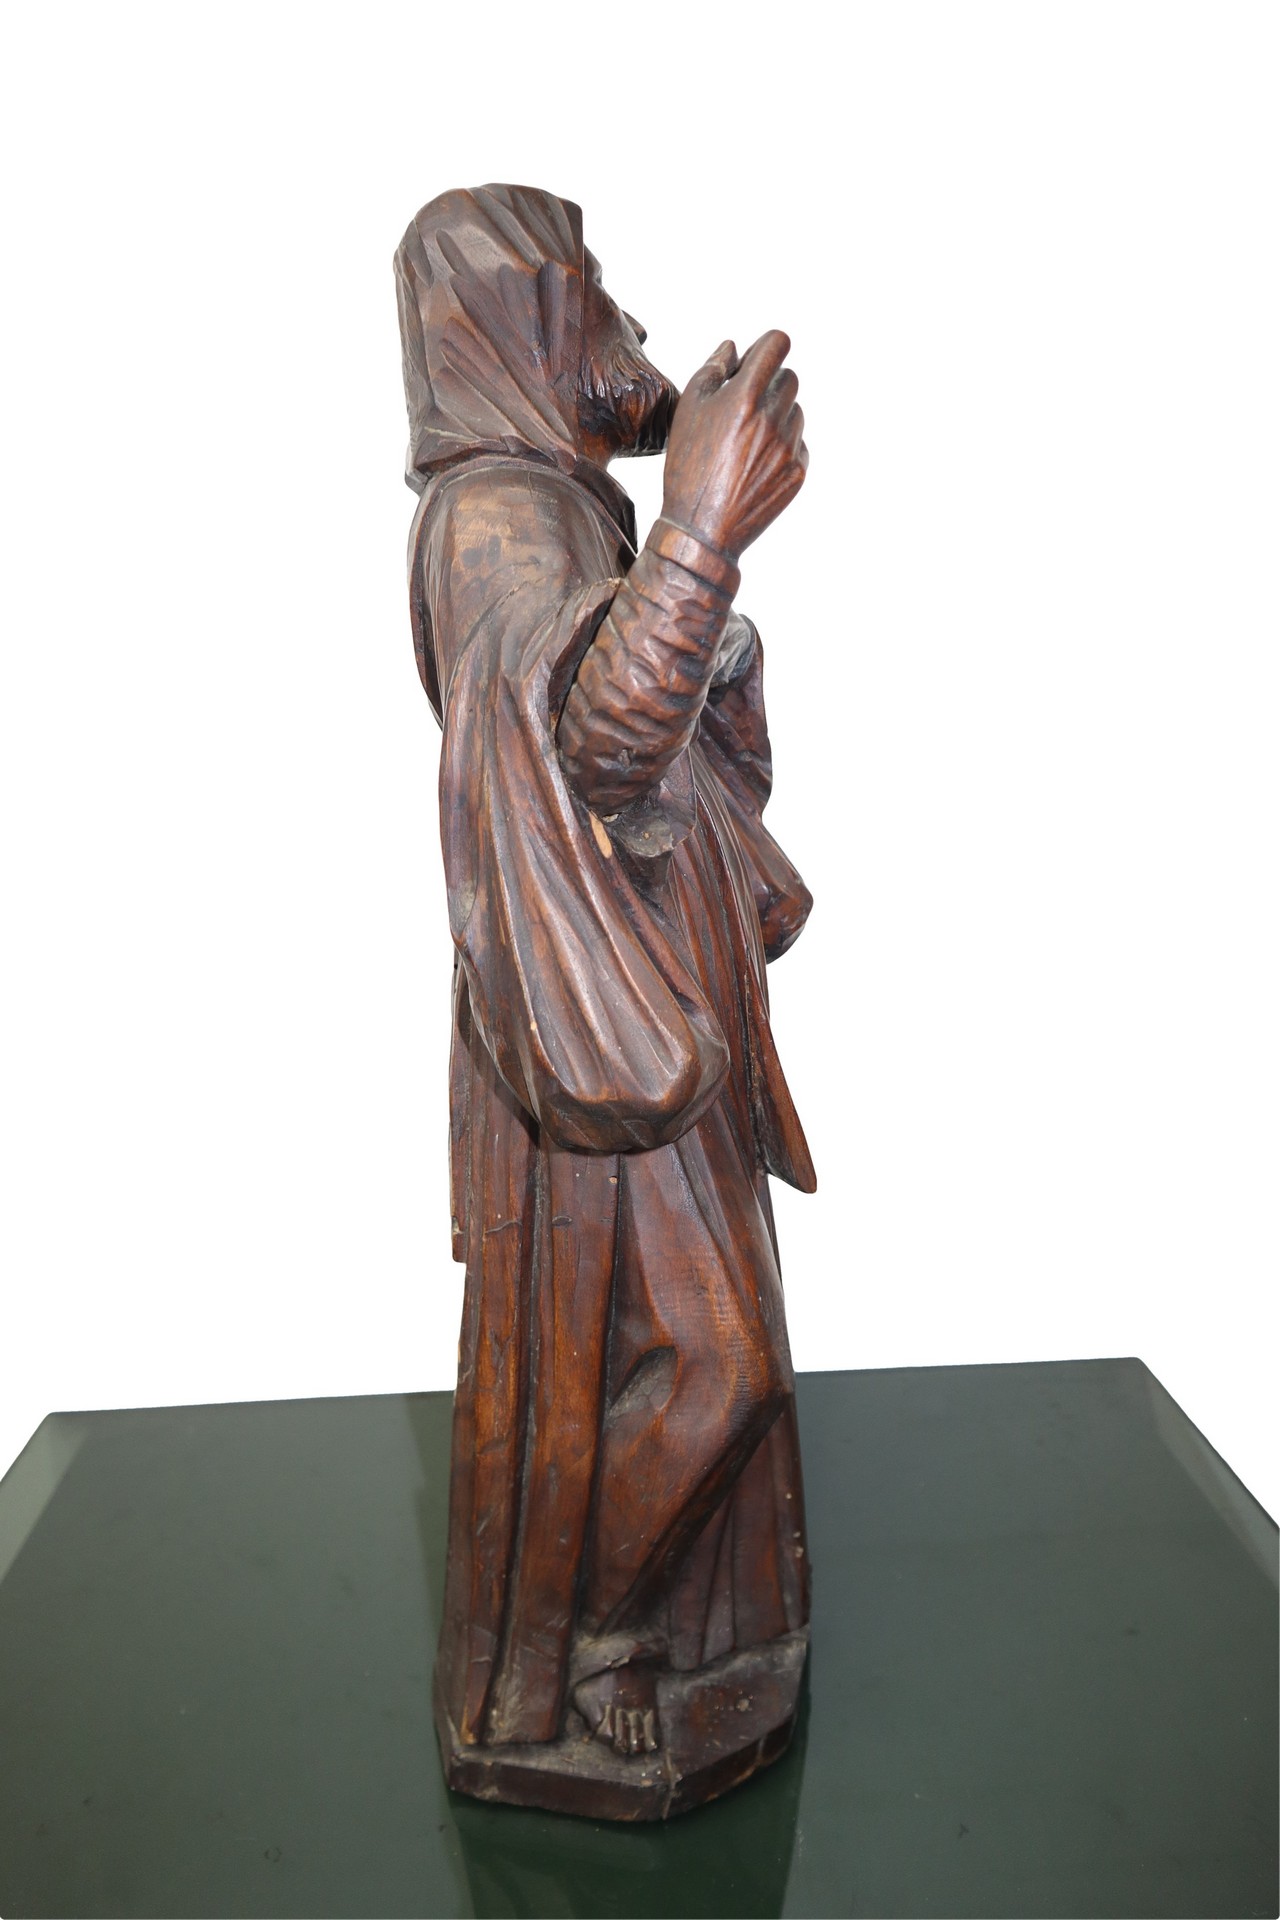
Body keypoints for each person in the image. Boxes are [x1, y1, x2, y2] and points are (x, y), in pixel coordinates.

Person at [395, 184, 815, 1805]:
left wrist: (698, 598)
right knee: (715, 1365)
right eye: (590, 300)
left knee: (717, 1358)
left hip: (653, 988)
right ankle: (602, 1639)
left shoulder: (559, 505)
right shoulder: (493, 518)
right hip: (598, 1034)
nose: (623, 330)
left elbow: (626, 722)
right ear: (518, 330)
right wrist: (700, 534)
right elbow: (579, 746)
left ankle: (634, 1630)